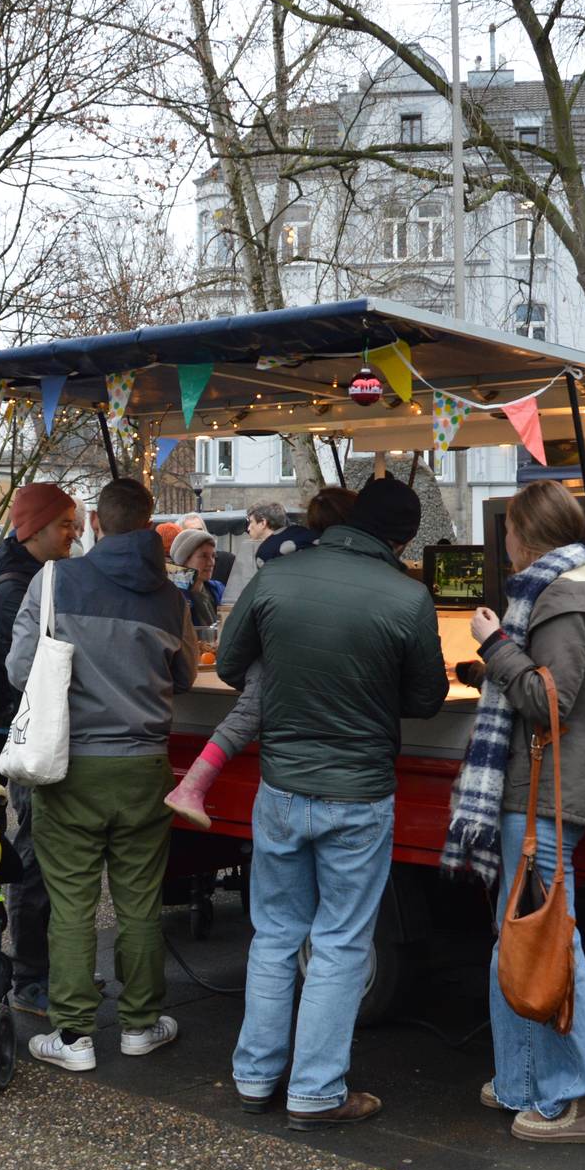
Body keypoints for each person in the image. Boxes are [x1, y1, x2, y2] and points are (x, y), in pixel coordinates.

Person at [215, 478, 446, 1130]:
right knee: (342, 942)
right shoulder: (408, 596)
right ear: (401, 538)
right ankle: (316, 1090)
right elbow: (426, 698)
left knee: (275, 933)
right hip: (360, 792)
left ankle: (255, 1075)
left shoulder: (279, 576)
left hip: (282, 787)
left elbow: (233, 665)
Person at [451, 480, 585, 1144]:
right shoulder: (563, 591)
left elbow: (547, 698)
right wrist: (487, 669)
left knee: (545, 941)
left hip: (545, 794)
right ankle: (526, 1080)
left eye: (509, 532)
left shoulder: (560, 595)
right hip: (545, 791)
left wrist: (494, 645)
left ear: (525, 533)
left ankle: (580, 1096)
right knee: (521, 939)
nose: (506, 544)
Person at [8, 477, 197, 1073]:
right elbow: (187, 675)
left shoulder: (55, 580)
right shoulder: (171, 596)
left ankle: (73, 1036)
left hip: (71, 767)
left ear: (94, 522)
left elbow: (19, 670)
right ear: (148, 525)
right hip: (145, 767)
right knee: (140, 904)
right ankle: (141, 1024)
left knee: (71, 903)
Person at [162, 487, 354, 825]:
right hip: (293, 675)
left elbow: (237, 644)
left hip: (276, 657)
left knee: (249, 710)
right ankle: (191, 785)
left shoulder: (285, 558)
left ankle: (192, 784)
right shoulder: (339, 564)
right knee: (251, 707)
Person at [0, 483, 80, 1016]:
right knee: (35, 860)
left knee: (46, 856)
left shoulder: (36, 577)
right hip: (31, 742)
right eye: (66, 523)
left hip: (37, 736)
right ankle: (31, 977)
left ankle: (51, 972)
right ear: (36, 528)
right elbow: (25, 673)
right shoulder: (18, 587)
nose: (76, 531)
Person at [169, 529, 219, 628]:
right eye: (204, 556)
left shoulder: (217, 589)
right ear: (184, 560)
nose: (211, 563)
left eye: (213, 556)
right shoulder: (171, 597)